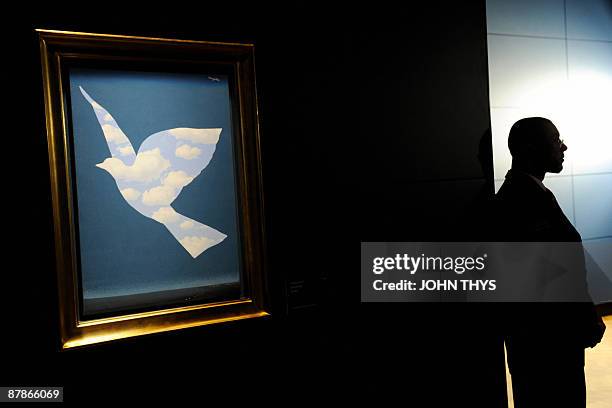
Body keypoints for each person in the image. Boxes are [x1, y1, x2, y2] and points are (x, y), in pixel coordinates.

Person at [494, 117, 606, 407]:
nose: (563, 146)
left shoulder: (524, 194)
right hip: (548, 345)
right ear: (531, 148)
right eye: (556, 140)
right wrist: (583, 317)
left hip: (541, 342)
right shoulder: (524, 200)